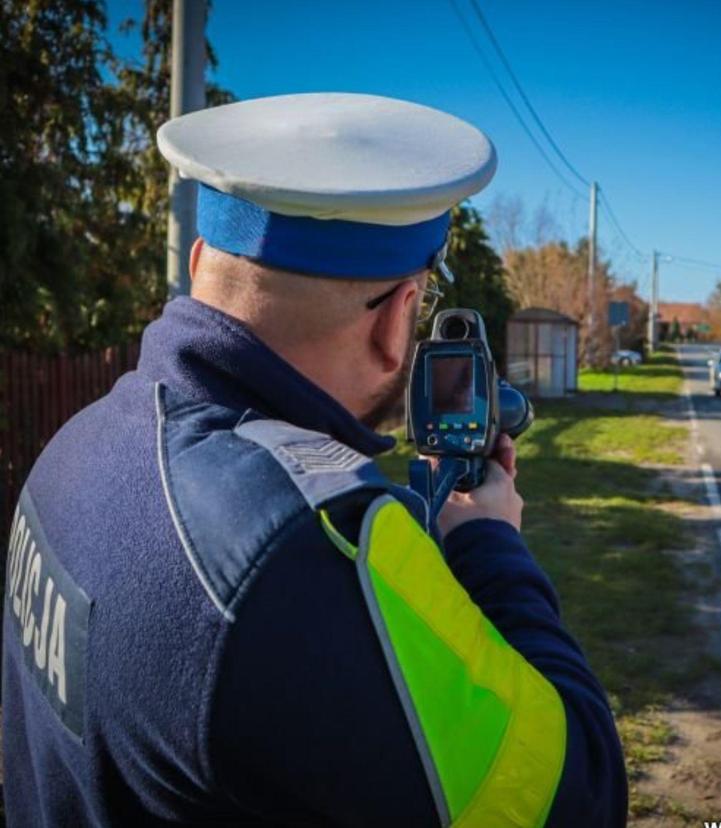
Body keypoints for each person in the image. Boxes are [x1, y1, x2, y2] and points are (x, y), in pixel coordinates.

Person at [2, 93, 626, 826]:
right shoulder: (304, 548)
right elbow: (578, 798)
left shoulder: (75, 448)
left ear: (202, 260)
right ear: (398, 322)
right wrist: (491, 547)